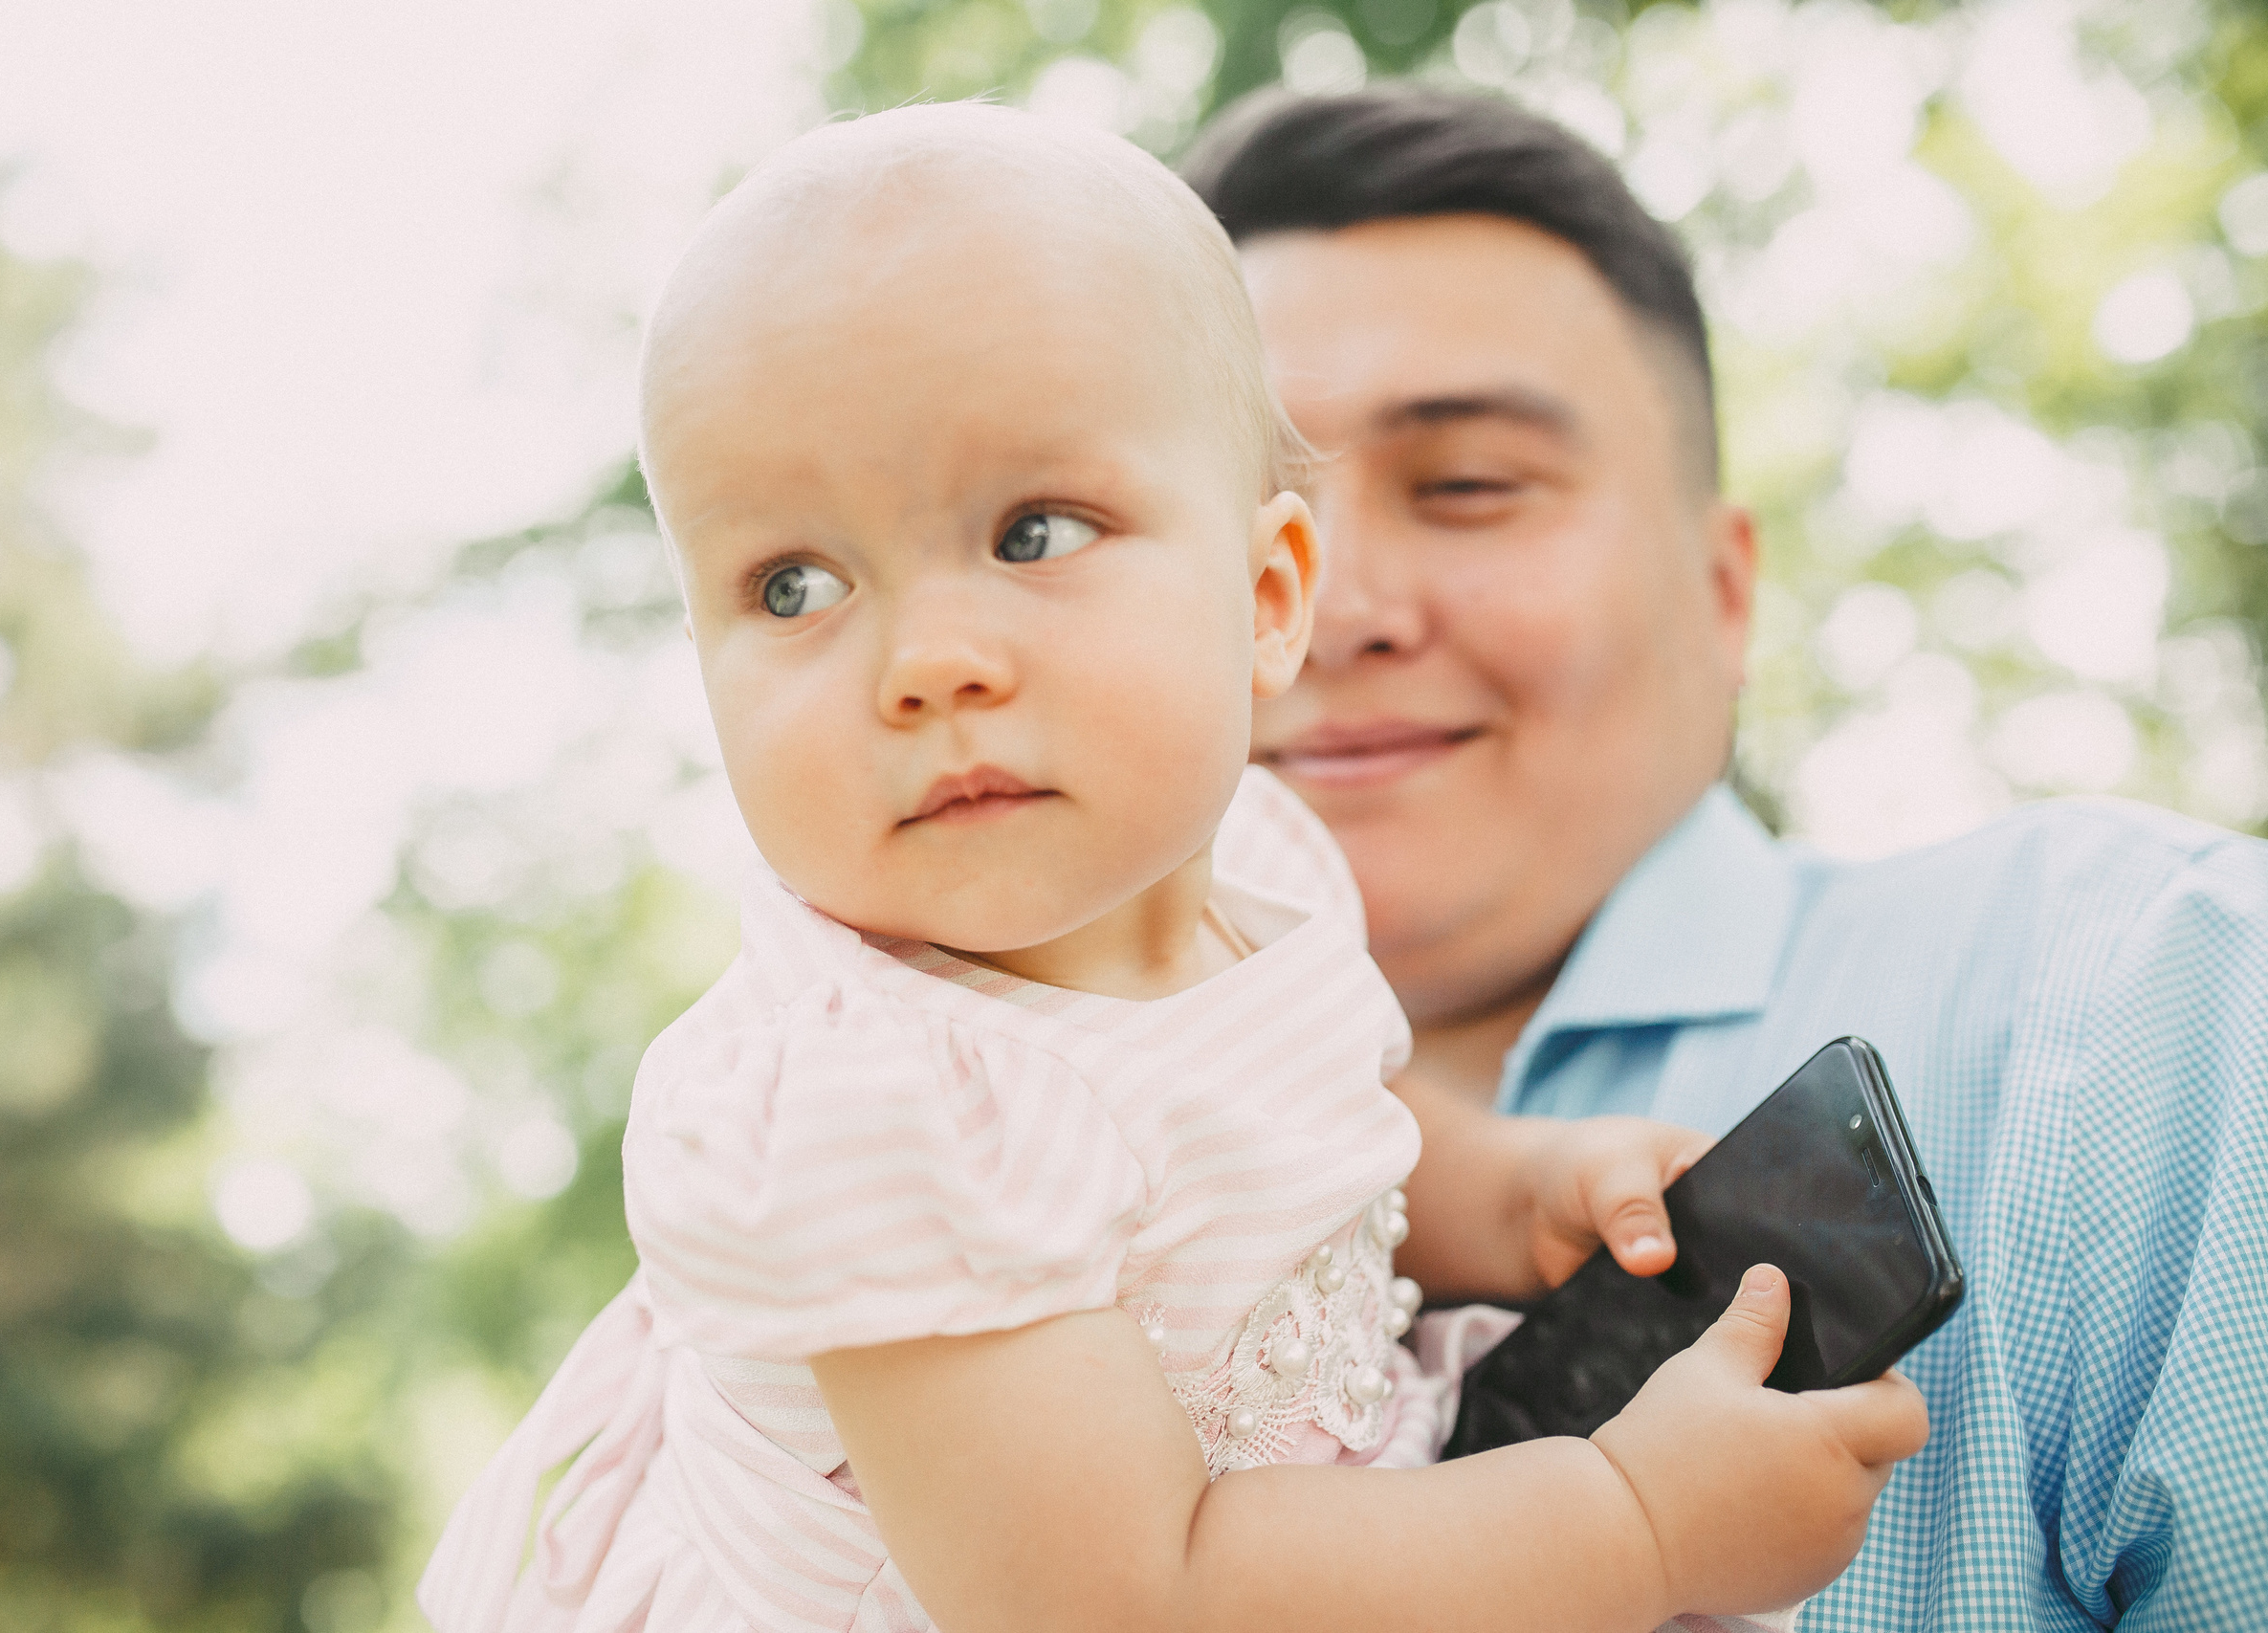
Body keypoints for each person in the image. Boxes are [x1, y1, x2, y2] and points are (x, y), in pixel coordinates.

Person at [418, 102, 1929, 1633]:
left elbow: (1327, 1106)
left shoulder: (1265, 864)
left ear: (1269, 596)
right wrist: (1634, 1525)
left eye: (1032, 532)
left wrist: (1520, 1191)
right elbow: (1141, 1593)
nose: (926, 663)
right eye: (791, 583)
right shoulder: (876, 1106)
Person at [1182, 86, 2268, 1631]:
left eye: (1471, 484)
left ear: (1724, 592)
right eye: (1242, 519)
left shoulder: (2144, 1004)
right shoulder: (944, 1147)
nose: (1332, 607)